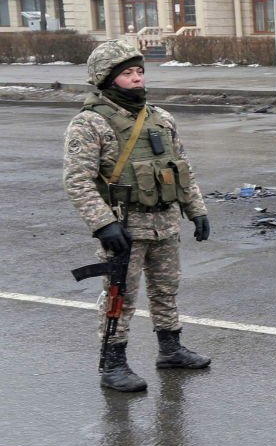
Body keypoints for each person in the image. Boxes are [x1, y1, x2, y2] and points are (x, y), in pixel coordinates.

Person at [63, 39, 212, 392]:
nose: (136, 79)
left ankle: (171, 350)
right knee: (120, 297)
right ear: (106, 78)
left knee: (166, 290)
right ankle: (113, 365)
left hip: (164, 222)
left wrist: (197, 210)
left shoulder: (161, 118)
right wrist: (103, 223)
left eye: (139, 72)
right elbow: (77, 180)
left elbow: (182, 169)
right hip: (124, 227)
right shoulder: (89, 124)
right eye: (127, 73)